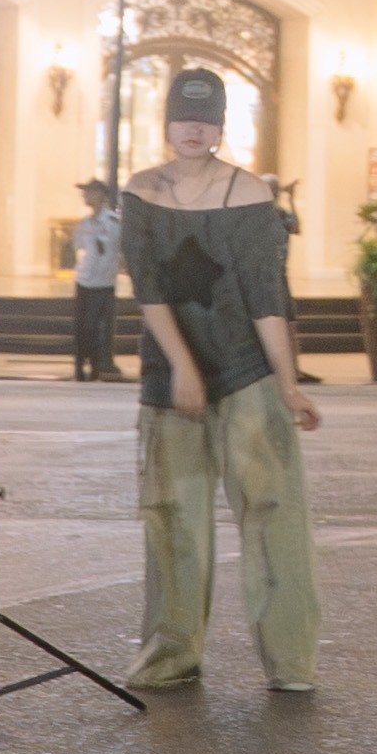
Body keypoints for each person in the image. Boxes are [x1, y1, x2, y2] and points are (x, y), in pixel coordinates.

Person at [120, 70, 328, 690]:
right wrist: (182, 367)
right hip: (169, 377)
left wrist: (287, 384)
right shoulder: (141, 191)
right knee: (171, 516)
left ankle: (291, 661)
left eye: (206, 119)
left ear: (221, 126)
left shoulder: (249, 195)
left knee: (274, 516)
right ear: (166, 120)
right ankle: (170, 653)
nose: (193, 128)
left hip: (246, 372)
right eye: (183, 116)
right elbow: (148, 289)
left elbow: (267, 297)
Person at [67, 179, 124, 382]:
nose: (85, 197)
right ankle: (79, 365)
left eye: (89, 192)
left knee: (96, 326)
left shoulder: (113, 222)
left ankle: (97, 366)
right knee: (81, 326)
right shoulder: (85, 224)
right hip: (84, 281)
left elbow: (117, 249)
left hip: (102, 284)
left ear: (100, 195)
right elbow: (79, 247)